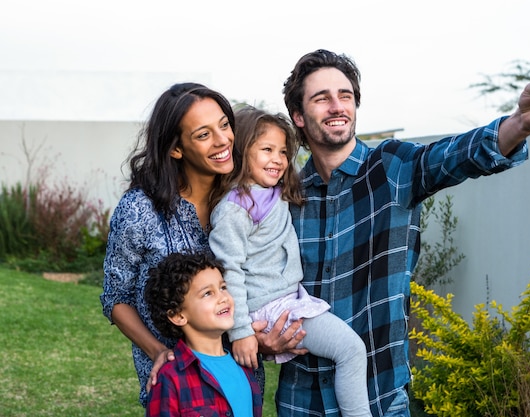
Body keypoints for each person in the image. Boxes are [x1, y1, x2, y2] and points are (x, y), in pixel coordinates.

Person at [253, 49, 530, 417]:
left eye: (346, 96)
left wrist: (521, 123)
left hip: (378, 398)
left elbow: (456, 154)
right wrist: (262, 339)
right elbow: (257, 278)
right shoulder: (286, 196)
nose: (337, 106)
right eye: (321, 98)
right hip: (299, 401)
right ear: (299, 116)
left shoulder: (391, 167)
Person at [209, 105, 372, 417]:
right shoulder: (236, 207)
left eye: (283, 151)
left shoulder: (271, 193)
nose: (278, 160)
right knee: (350, 350)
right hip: (272, 308)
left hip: (287, 299)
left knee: (347, 351)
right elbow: (228, 271)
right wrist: (241, 331)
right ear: (242, 152)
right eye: (267, 149)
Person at [100, 82, 239, 407]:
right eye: (204, 134)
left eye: (224, 125)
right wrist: (158, 351)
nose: (223, 140)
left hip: (240, 378)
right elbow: (115, 297)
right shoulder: (140, 209)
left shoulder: (243, 201)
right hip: (178, 391)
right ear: (176, 148)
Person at [143, 251, 263, 417]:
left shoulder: (243, 364)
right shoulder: (170, 378)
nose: (223, 298)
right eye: (208, 293)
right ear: (178, 316)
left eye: (223, 287)